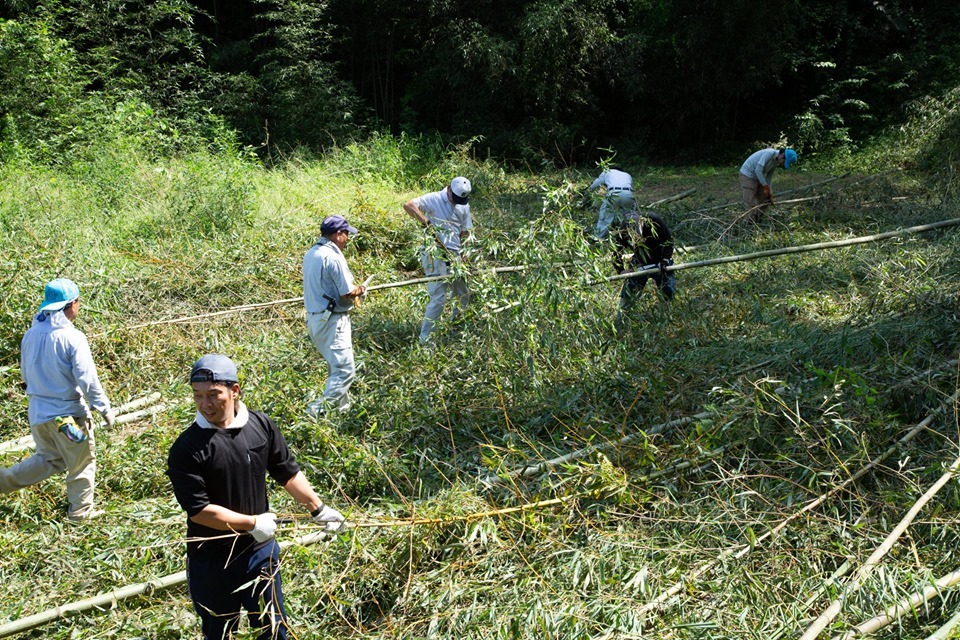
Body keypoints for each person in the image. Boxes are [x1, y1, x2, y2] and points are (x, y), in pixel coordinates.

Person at [167, 354, 346, 640]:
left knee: (274, 628)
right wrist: (252, 523)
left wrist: (318, 509)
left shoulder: (260, 426)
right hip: (213, 560)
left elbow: (286, 472)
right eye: (198, 396)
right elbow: (200, 511)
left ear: (235, 391)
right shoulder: (187, 448)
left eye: (214, 395)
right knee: (219, 631)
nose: (205, 405)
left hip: (259, 552)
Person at [0, 278, 115, 521]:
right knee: (81, 463)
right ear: (72, 304)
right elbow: (86, 378)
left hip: (38, 413)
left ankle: (3, 481)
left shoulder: (31, 335)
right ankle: (81, 515)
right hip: (67, 418)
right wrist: (103, 407)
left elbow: (24, 373)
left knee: (50, 459)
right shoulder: (72, 338)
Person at [302, 215, 366, 417]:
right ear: (338, 234)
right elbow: (346, 293)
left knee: (335, 368)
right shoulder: (333, 257)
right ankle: (315, 412)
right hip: (332, 322)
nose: (347, 238)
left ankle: (341, 413)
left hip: (316, 319)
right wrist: (360, 290)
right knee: (345, 371)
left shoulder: (311, 253)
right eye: (346, 234)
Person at [402, 177, 474, 344]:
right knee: (439, 297)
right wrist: (425, 222)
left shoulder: (463, 205)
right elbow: (408, 205)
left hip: (455, 254)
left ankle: (456, 330)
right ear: (449, 189)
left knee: (463, 293)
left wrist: (464, 255)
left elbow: (465, 232)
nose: (456, 202)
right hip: (435, 253)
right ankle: (426, 341)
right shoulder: (433, 198)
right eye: (454, 198)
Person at [614, 210, 676, 317]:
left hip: (660, 259)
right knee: (629, 292)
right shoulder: (624, 229)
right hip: (640, 262)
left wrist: (665, 260)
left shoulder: (654, 220)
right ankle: (622, 318)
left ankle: (668, 315)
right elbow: (616, 251)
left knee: (668, 291)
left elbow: (669, 241)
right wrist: (621, 270)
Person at [738, 147, 798, 222]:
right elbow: (758, 170)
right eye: (783, 162)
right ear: (782, 155)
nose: (782, 164)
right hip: (748, 174)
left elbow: (768, 178)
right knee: (750, 201)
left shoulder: (776, 162)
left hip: (758, 176)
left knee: (766, 200)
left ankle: (757, 219)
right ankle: (748, 223)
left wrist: (770, 193)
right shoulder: (769, 153)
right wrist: (765, 186)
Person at [588, 165, 635, 239]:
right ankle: (630, 236)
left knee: (606, 217)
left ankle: (598, 239)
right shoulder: (627, 175)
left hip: (614, 193)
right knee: (628, 216)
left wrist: (588, 190)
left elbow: (596, 184)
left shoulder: (607, 171)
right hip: (628, 194)